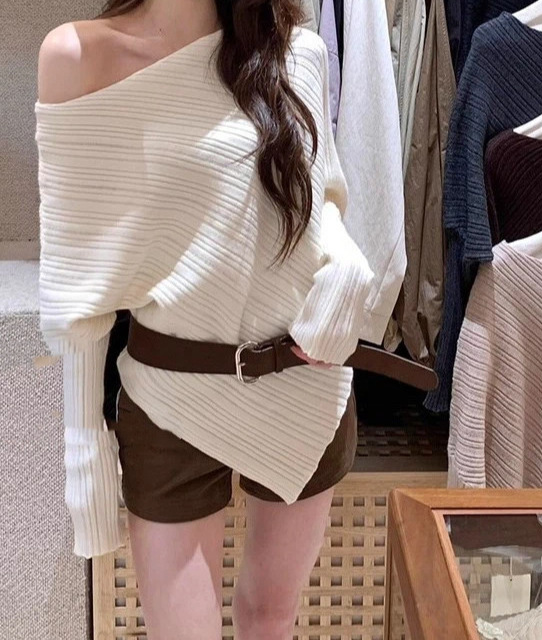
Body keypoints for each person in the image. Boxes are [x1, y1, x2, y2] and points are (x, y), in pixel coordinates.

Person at [36, 1, 373, 639]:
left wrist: (349, 265)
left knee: (271, 618)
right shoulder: (80, 58)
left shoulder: (296, 50)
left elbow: (317, 193)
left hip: (305, 382)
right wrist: (82, 439)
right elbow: (78, 272)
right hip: (170, 395)